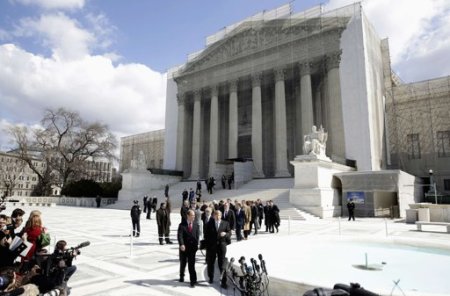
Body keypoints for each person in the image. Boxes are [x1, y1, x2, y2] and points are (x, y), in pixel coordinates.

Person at [204, 210, 231, 288]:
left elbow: (229, 233)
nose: (217, 216)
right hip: (211, 247)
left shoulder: (226, 223)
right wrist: (207, 246)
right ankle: (211, 278)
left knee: (222, 264)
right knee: (210, 263)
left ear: (221, 215)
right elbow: (206, 235)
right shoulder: (209, 223)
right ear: (213, 216)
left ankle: (223, 281)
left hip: (221, 246)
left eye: (219, 215)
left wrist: (225, 234)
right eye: (216, 215)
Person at [177, 210, 200, 288]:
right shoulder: (182, 225)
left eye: (194, 216)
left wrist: (197, 245)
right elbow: (180, 236)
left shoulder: (196, 224)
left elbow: (197, 236)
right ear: (188, 216)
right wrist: (182, 244)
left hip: (192, 248)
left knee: (191, 265)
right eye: (192, 215)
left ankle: (193, 280)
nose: (193, 217)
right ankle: (181, 276)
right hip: (184, 248)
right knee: (183, 263)